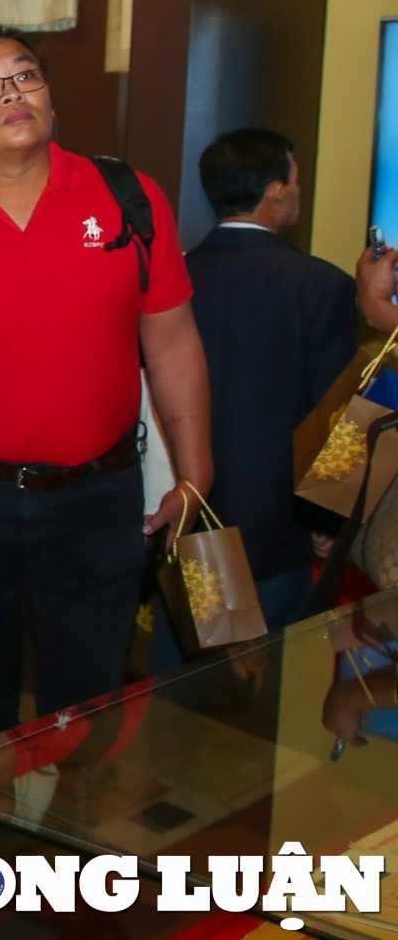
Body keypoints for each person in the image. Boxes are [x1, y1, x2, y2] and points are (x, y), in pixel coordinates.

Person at [0, 25, 210, 752]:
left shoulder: (126, 197)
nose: (11, 92)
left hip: (98, 498)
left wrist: (194, 469)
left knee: (86, 696)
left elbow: (172, 339)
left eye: (25, 76)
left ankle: (60, 851)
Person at [170, 129, 356, 659]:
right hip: (277, 525)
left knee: (197, 680)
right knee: (268, 683)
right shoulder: (321, 285)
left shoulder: (174, 276)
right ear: (276, 192)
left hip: (190, 514)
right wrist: (329, 522)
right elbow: (336, 420)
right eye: (296, 182)